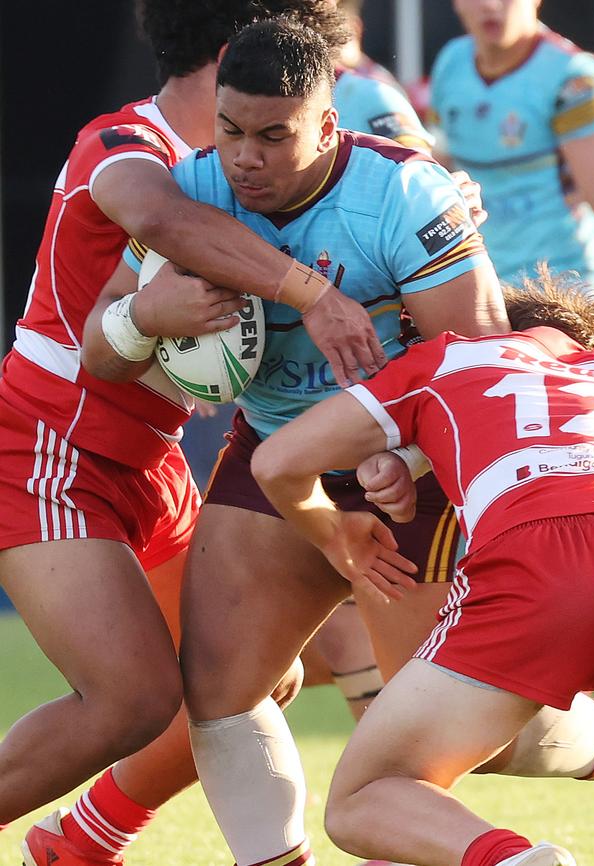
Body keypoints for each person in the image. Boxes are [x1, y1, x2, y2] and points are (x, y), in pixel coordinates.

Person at [4, 0, 391, 860]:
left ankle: (80, 841)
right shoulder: (122, 144)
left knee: (255, 677)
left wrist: (434, 185)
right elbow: (163, 220)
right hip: (48, 448)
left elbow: (377, 182)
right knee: (131, 698)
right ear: (232, 56)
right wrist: (309, 295)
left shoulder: (244, 172)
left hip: (152, 459)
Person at [134, 18, 505, 866]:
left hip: (412, 471)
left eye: (274, 135)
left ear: (331, 125)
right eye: (230, 131)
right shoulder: (189, 190)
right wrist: (147, 322)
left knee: (458, 731)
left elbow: (478, 368)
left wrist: (404, 456)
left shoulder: (406, 198)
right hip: (274, 457)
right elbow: (104, 347)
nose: (245, 159)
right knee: (218, 696)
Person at [251, 272, 594, 866]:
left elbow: (277, 461)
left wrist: (338, 536)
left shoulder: (448, 356)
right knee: (485, 736)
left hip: (535, 565)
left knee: (365, 796)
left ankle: (511, 860)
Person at [429, 0, 594, 365]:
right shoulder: (451, 64)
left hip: (570, 305)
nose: (489, 6)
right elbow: (439, 184)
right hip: (487, 303)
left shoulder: (574, 79)